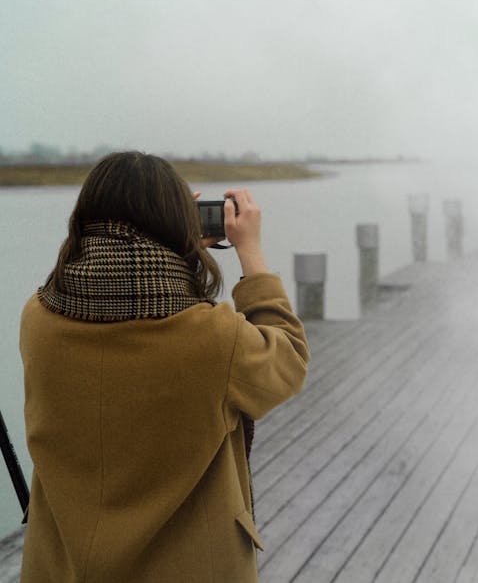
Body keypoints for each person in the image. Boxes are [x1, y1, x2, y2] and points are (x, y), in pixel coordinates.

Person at [19, 151, 310, 583]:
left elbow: (105, 289)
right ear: (176, 222)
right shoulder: (213, 339)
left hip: (61, 568)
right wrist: (250, 251)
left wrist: (173, 246)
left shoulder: (37, 319)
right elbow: (288, 361)